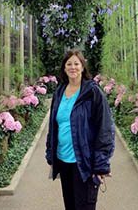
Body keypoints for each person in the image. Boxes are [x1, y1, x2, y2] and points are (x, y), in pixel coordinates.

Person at [45, 49, 115, 210]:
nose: (73, 67)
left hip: (85, 163)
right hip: (63, 161)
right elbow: (53, 126)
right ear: (64, 68)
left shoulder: (93, 92)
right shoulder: (59, 92)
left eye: (76, 63)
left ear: (83, 67)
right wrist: (51, 154)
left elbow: (105, 129)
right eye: (69, 64)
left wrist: (100, 164)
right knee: (70, 206)